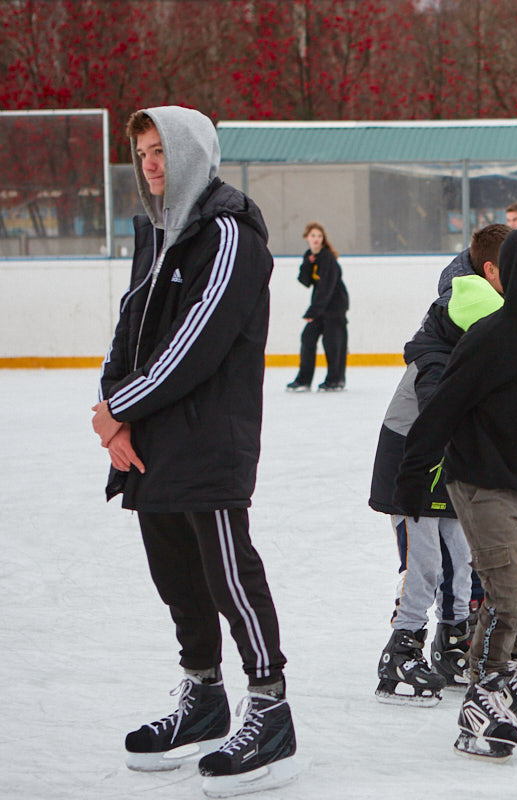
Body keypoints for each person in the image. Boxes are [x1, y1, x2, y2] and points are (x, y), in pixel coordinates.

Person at [92, 106, 298, 796]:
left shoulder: (230, 234)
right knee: (177, 578)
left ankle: (269, 707)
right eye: (143, 153)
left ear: (192, 154)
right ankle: (204, 697)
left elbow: (197, 343)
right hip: (152, 441)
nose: (152, 164)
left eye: (162, 151)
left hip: (210, 438)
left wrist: (119, 406)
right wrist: (114, 410)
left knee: (227, 575)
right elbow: (130, 325)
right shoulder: (156, 231)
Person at [394, 223, 517, 762]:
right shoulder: (489, 339)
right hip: (478, 480)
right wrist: (411, 484)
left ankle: (512, 662)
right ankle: (481, 694)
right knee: (508, 592)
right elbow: (441, 414)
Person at [368, 225, 508, 704]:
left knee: (459, 556)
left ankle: (451, 642)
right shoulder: (437, 357)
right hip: (411, 459)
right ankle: (401, 649)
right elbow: (438, 409)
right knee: (423, 561)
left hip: (448, 459)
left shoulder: (474, 339)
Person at [286, 222, 349, 392]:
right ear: (307, 237)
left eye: (319, 236)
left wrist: (313, 311)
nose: (316, 239)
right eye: (313, 236)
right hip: (321, 306)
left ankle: (335, 380)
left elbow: (326, 287)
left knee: (332, 344)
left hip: (335, 306)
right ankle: (304, 380)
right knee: (307, 338)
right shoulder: (310, 255)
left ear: (323, 239)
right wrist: (308, 263)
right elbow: (305, 281)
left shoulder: (327, 258)